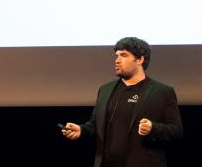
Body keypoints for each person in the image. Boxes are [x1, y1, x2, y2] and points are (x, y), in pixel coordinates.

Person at [62, 37, 183, 167]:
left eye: (124, 55)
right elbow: (96, 124)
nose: (117, 60)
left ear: (140, 60)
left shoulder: (162, 92)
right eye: (116, 56)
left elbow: (176, 131)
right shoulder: (105, 90)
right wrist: (82, 130)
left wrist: (153, 128)